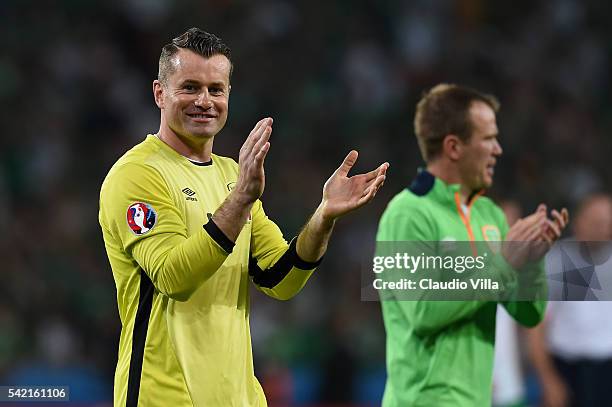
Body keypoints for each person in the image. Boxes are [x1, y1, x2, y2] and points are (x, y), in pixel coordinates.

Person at [98, 28, 388, 407]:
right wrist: (239, 201)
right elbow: (172, 277)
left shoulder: (232, 175)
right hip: (164, 397)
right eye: (189, 87)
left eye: (215, 89)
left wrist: (323, 216)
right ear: (159, 93)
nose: (204, 101)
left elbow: (279, 279)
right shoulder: (137, 174)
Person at [376, 84, 568, 406]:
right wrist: (504, 263)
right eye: (489, 138)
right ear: (454, 147)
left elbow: (528, 313)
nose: (498, 150)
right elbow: (423, 309)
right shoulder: (408, 213)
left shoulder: (489, 215)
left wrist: (531, 261)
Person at [527, 193, 612, 407]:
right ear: (578, 222)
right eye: (595, 222)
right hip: (566, 368)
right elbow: (536, 325)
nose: (602, 228)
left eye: (606, 222)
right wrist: (548, 379)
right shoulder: (555, 260)